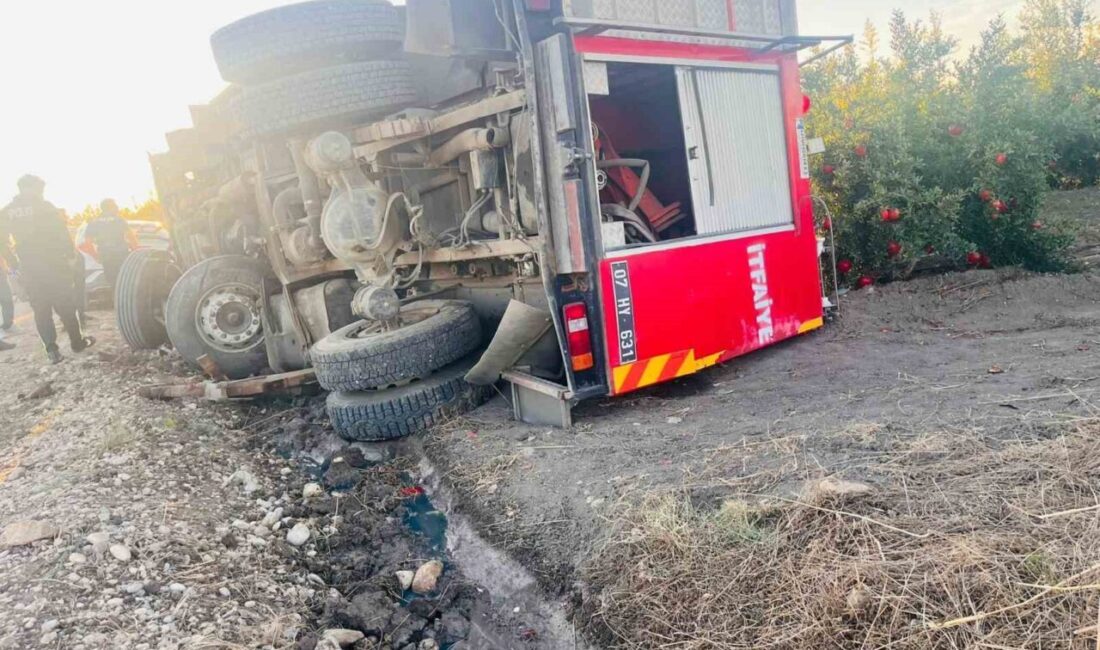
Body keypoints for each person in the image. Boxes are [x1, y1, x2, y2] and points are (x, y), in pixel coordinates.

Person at [0, 175, 94, 363]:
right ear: (32, 188)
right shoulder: (45, 206)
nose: (41, 193)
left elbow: (2, 241)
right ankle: (77, 343)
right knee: (66, 304)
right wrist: (69, 256)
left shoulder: (7, 211)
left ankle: (52, 350)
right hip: (54, 264)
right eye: (40, 189)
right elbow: (61, 232)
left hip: (29, 267)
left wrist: (15, 264)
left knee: (40, 309)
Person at [84, 198, 134, 292]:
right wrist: (135, 250)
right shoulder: (119, 220)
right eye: (115, 206)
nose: (117, 208)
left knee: (112, 282)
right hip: (121, 254)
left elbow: (87, 242)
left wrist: (96, 256)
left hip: (106, 255)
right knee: (125, 280)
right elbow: (130, 236)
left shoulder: (94, 222)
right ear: (110, 207)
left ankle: (116, 299)